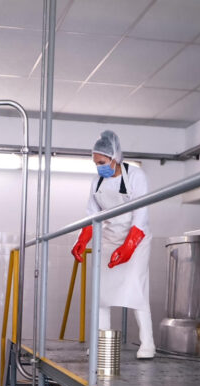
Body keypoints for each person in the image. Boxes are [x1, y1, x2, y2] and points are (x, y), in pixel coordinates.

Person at [71, 130, 155, 359]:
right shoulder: (96, 181)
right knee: (101, 293)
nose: (99, 167)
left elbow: (141, 215)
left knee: (137, 289)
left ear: (115, 157)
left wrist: (128, 247)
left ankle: (148, 344)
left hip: (136, 239)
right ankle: (101, 343)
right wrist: (82, 240)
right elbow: (92, 215)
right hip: (109, 238)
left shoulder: (136, 176)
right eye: (96, 163)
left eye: (102, 162)